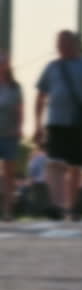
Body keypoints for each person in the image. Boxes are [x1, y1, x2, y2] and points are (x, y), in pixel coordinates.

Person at [33, 31, 82, 222]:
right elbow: (41, 97)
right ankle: (56, 205)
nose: (61, 47)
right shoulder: (52, 67)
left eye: (65, 43)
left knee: (75, 165)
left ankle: (71, 207)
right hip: (55, 121)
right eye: (59, 43)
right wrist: (38, 125)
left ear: (75, 44)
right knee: (54, 162)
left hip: (78, 121)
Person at [0, 52, 23, 221]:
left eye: (3, 61)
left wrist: (18, 128)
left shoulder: (15, 87)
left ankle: (8, 210)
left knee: (9, 175)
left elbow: (20, 111)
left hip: (9, 134)